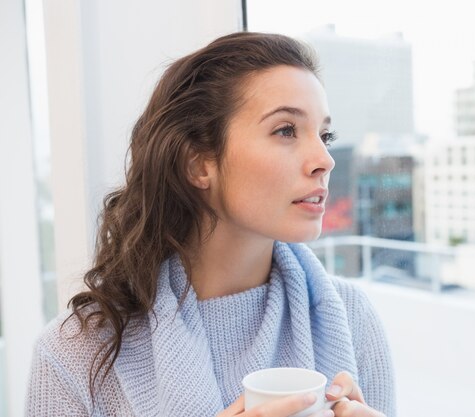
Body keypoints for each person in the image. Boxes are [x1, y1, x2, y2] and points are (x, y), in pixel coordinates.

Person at [27, 31, 395, 417]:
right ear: (198, 163)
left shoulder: (352, 318)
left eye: (325, 136)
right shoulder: (75, 355)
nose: (325, 159)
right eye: (286, 130)